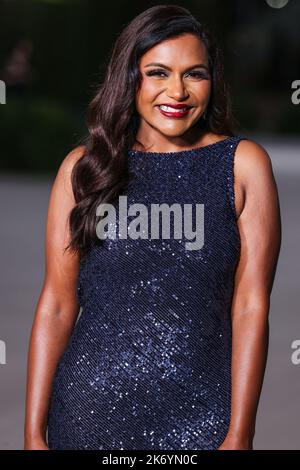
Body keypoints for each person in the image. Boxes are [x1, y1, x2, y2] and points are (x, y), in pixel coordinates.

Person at [24, 5, 281, 450]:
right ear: (131, 78)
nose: (177, 91)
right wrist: (32, 434)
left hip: (203, 420)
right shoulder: (83, 170)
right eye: (158, 72)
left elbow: (251, 306)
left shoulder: (242, 167)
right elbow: (57, 304)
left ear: (212, 81)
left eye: (194, 74)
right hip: (86, 417)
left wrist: (240, 433)